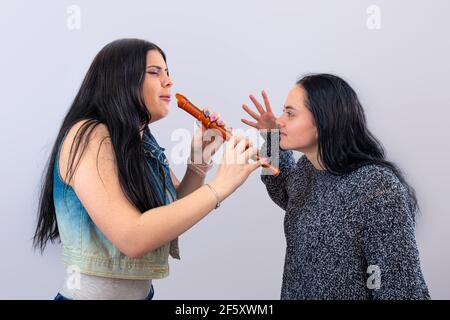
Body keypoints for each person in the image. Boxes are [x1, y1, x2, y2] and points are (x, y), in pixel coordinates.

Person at [33, 38, 265, 300]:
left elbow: (171, 214)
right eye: (155, 72)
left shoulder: (141, 138)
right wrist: (221, 185)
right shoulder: (88, 135)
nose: (168, 82)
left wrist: (199, 161)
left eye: (167, 73)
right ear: (120, 79)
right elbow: (132, 238)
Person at [241, 73, 430, 299]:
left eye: (290, 114)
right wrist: (270, 137)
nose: (280, 120)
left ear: (324, 120)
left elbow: (401, 289)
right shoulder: (307, 169)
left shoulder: (376, 189)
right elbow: (282, 188)